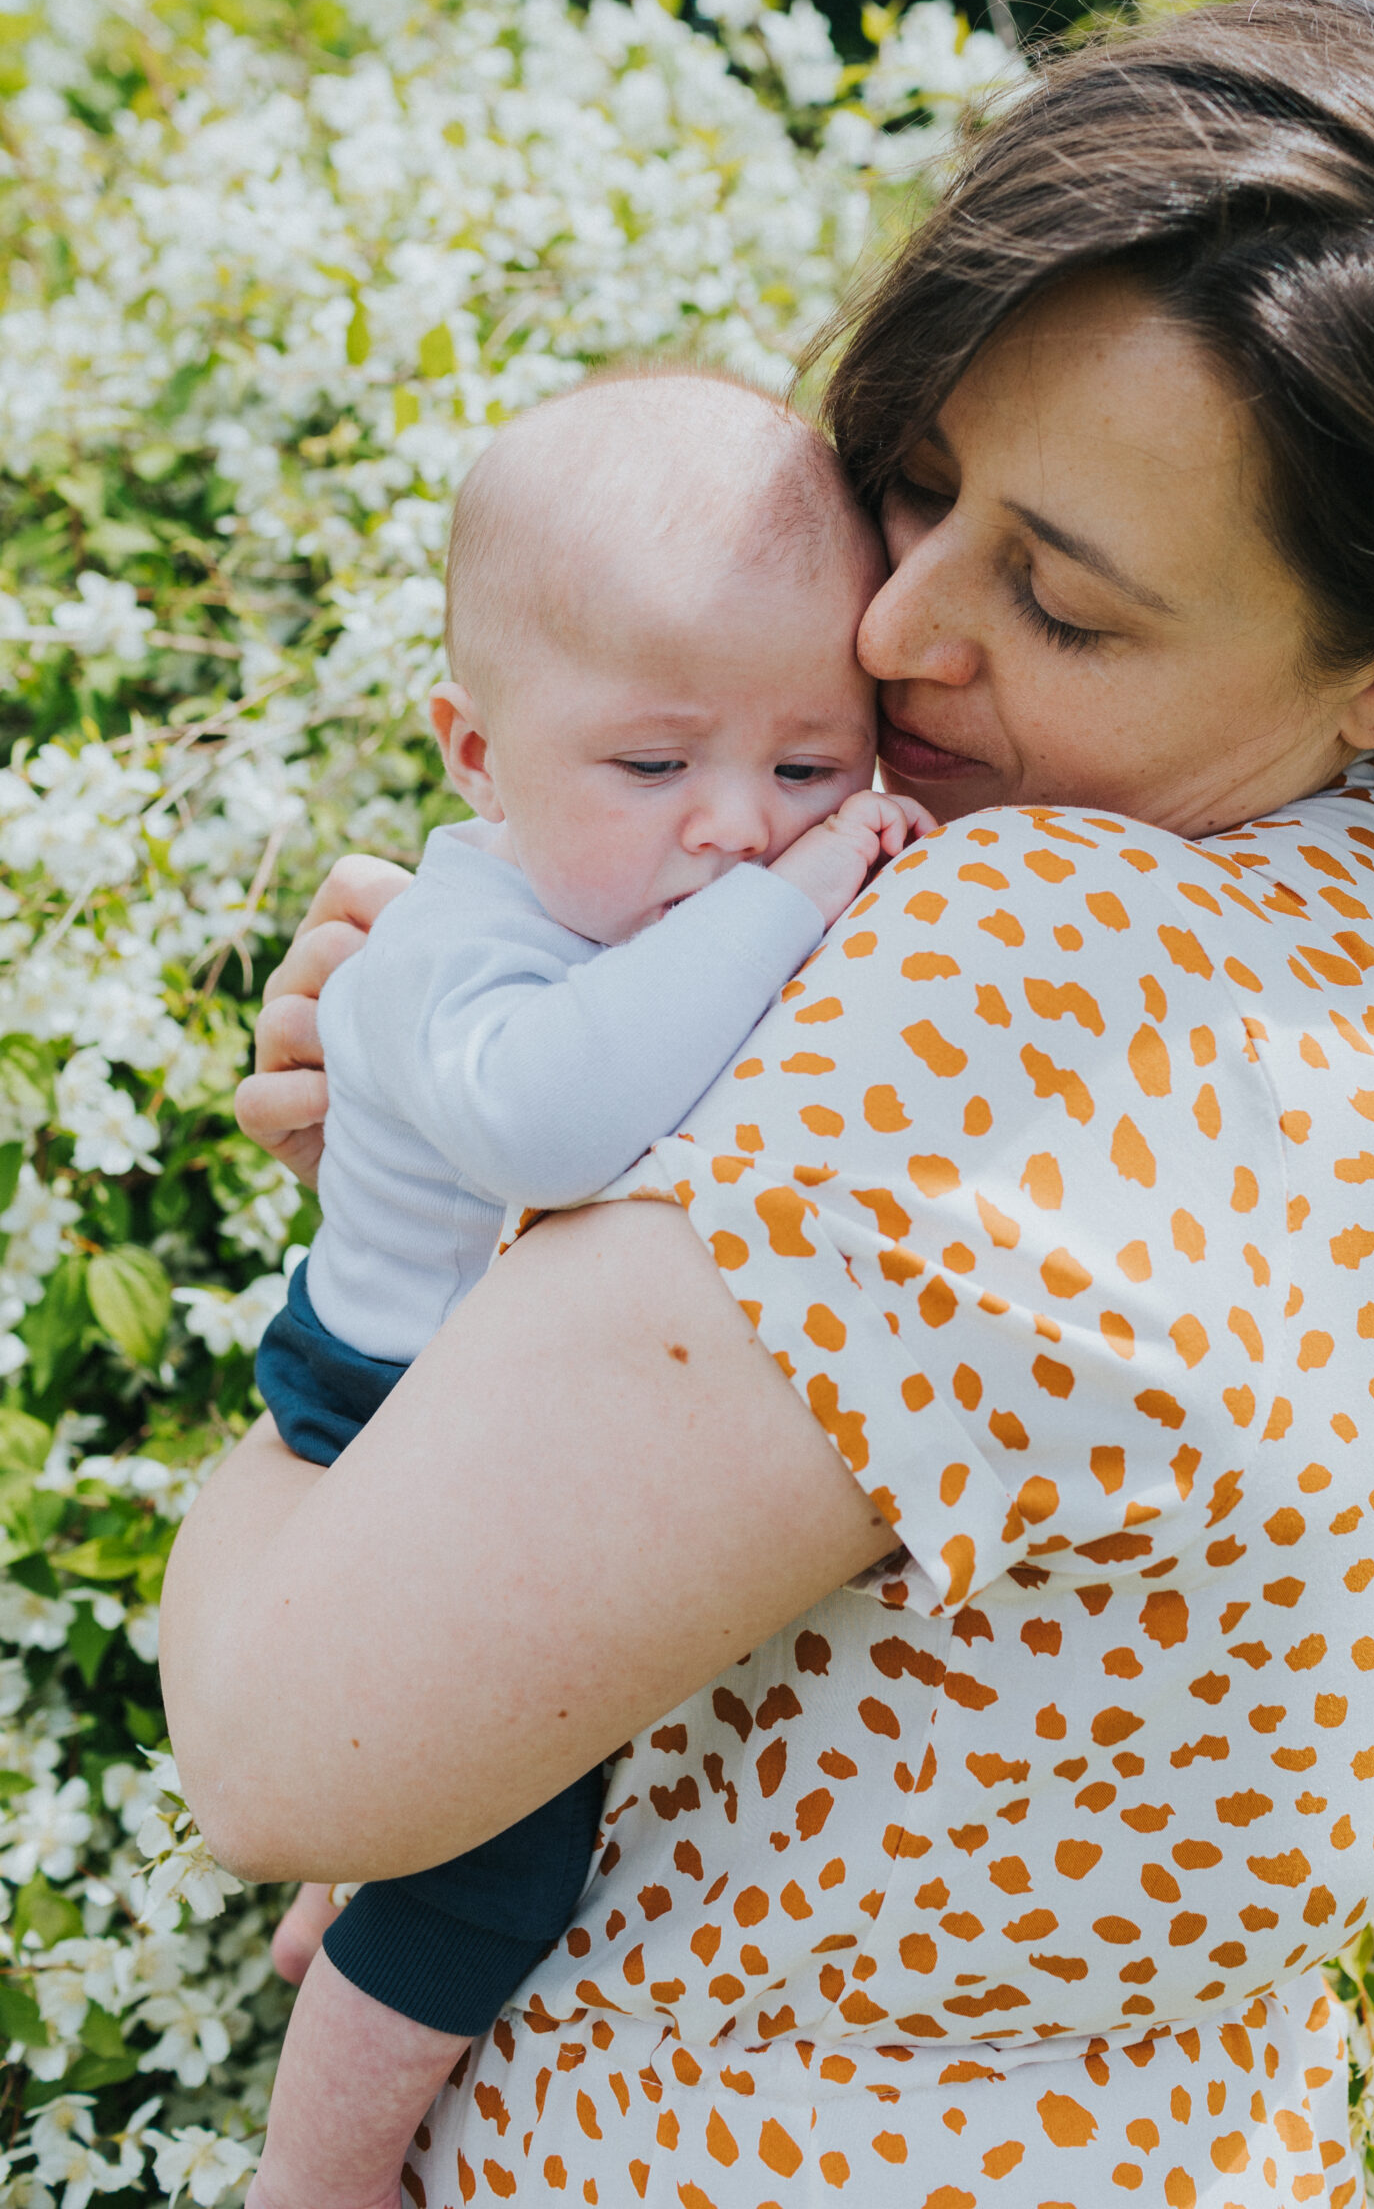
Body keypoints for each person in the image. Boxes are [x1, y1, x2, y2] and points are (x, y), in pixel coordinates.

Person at [160, 0, 1374, 2209]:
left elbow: (287, 1741)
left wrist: (380, 1249)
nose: (888, 630)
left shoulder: (1032, 957)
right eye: (910, 475)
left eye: (1057, 602)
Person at [247, 372, 930, 2209]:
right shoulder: (466, 942)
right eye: (652, 766)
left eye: (808, 767)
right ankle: (318, 2166)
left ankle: (360, 1885)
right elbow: (555, 1126)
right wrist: (796, 901)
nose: (731, 824)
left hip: (485, 1374)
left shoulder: (641, 901)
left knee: (492, 1761)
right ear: (473, 755)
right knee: (500, 1849)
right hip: (377, 1398)